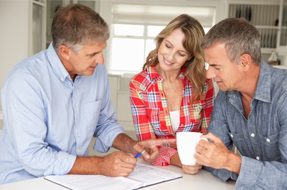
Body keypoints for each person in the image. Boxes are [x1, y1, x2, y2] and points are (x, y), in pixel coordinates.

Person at [0, 4, 175, 185]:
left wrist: (130, 145)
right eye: (93, 54)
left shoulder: (95, 71)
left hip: (73, 178)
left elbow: (105, 123)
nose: (101, 60)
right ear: (65, 52)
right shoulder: (25, 81)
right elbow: (34, 157)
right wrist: (100, 165)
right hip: (25, 181)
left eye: (101, 51)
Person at [195, 17, 287, 189]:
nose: (208, 75)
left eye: (216, 66)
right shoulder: (225, 95)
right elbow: (211, 157)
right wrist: (229, 166)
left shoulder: (283, 96)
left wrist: (233, 163)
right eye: (208, 65)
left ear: (244, 62)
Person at [129, 14, 214, 175]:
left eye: (181, 54)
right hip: (159, 169)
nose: (170, 57)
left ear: (190, 57)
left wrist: (195, 159)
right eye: (168, 46)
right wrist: (180, 160)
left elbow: (209, 133)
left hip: (199, 166)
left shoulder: (203, 82)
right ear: (161, 41)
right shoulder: (139, 85)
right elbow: (147, 144)